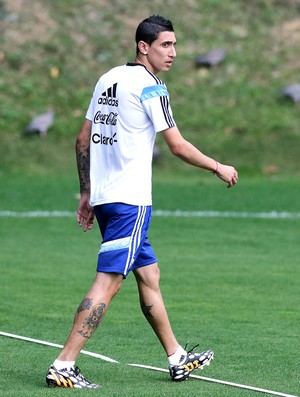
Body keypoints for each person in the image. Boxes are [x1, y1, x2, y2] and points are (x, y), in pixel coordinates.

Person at [46, 15, 238, 389]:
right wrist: (218, 166)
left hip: (106, 198)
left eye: (175, 45)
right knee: (109, 282)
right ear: (143, 46)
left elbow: (82, 139)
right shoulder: (152, 87)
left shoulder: (108, 79)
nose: (174, 53)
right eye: (166, 45)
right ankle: (64, 364)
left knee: (148, 274)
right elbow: (177, 145)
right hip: (131, 203)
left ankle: (176, 357)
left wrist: (87, 192)